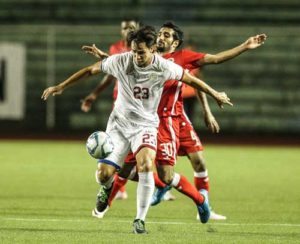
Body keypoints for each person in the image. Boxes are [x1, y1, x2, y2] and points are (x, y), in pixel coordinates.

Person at [41, 26, 233, 234]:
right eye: (133, 51)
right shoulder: (122, 60)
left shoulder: (164, 67)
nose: (136, 56)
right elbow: (90, 70)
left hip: (146, 126)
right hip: (119, 126)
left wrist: (216, 95)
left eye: (141, 52)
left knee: (146, 165)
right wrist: (60, 86)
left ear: (152, 50)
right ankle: (106, 188)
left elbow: (193, 80)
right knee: (104, 175)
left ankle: (139, 220)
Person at [82, 22, 266, 221]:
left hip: (170, 120)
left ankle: (200, 201)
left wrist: (244, 46)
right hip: (141, 122)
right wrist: (104, 58)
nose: (161, 37)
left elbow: (209, 65)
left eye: (166, 35)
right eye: (160, 34)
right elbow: (124, 62)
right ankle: (107, 204)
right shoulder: (146, 55)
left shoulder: (181, 58)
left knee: (188, 164)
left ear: (175, 42)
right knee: (127, 169)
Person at [81, 18, 139, 201]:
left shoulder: (143, 48)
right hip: (121, 103)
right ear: (120, 30)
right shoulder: (115, 48)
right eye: (124, 27)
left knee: (142, 155)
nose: (128, 30)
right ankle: (115, 185)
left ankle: (162, 182)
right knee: (124, 152)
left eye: (132, 27)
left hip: (144, 108)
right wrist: (95, 94)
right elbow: (110, 73)